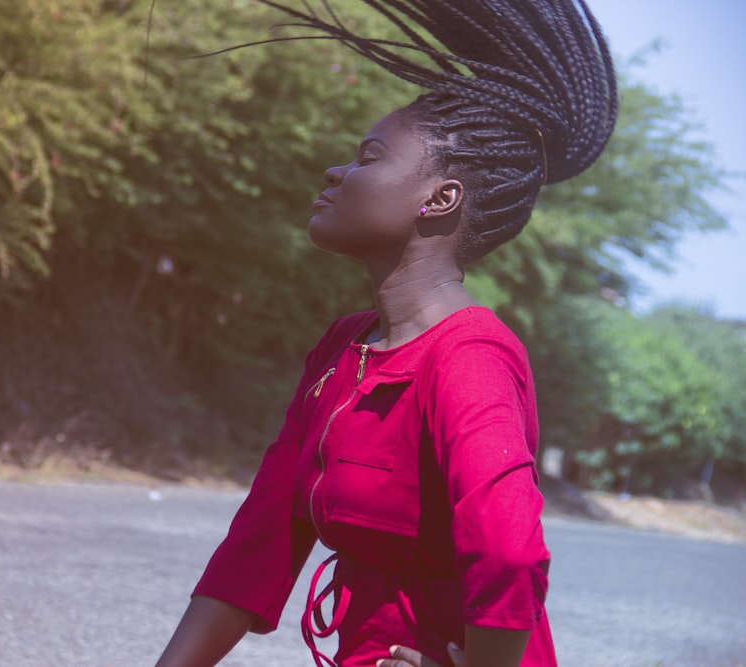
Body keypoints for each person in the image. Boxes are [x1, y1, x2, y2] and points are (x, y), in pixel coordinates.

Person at [155, 1, 617, 666]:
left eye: (369, 157)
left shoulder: (469, 358)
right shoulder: (342, 348)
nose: (336, 172)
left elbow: (510, 551)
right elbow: (263, 534)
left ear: (441, 198)